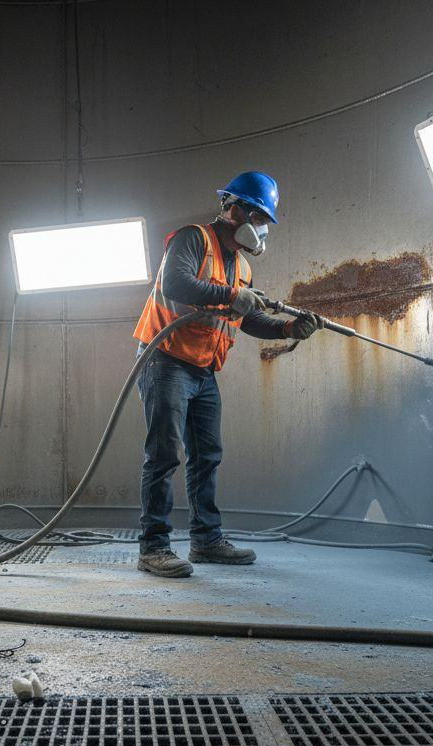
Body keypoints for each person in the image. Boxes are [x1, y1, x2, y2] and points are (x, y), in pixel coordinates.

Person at [131, 171, 321, 577]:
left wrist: (288, 328)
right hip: (165, 358)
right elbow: (177, 283)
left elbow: (248, 319)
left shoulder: (242, 270)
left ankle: (206, 540)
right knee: (165, 456)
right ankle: (154, 547)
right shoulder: (193, 238)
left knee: (207, 456)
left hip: (202, 370)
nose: (262, 229)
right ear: (236, 209)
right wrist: (234, 297)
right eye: (260, 219)